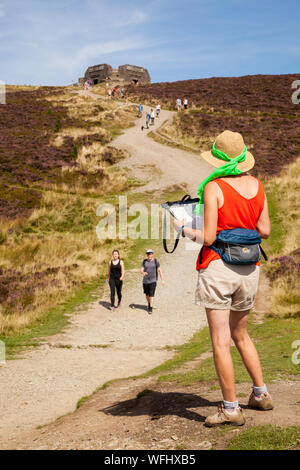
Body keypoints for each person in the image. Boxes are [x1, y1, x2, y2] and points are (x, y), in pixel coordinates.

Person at [174, 130, 273, 427]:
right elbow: (265, 230)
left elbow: (208, 238)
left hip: (219, 267)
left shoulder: (215, 187)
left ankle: (230, 409)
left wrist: (183, 229)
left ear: (218, 158)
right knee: (241, 334)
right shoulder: (257, 185)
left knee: (220, 341)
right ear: (243, 157)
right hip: (250, 269)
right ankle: (260, 393)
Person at [140, 249, 165, 314]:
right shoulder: (144, 261)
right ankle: (149, 303)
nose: (149, 255)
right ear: (147, 255)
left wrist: (162, 280)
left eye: (150, 254)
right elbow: (141, 270)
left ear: (152, 254)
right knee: (146, 294)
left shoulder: (156, 261)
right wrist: (143, 272)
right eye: (148, 254)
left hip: (153, 281)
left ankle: (150, 307)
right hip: (145, 281)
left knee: (151, 294)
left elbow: (159, 270)